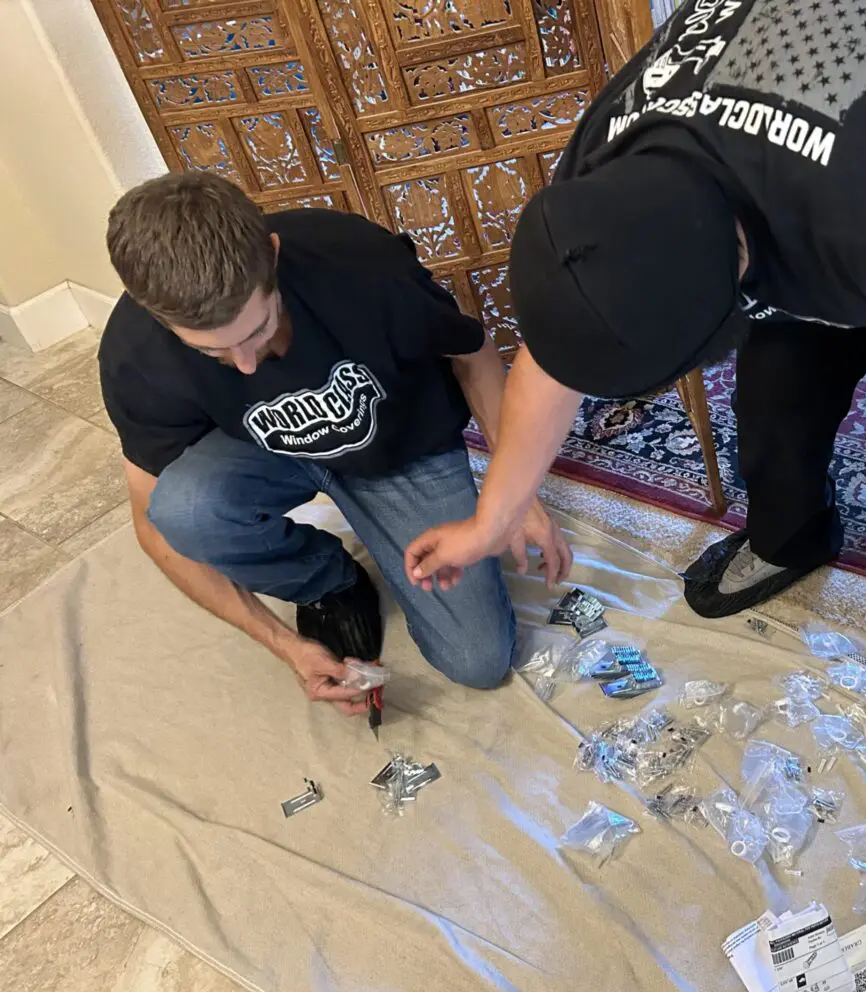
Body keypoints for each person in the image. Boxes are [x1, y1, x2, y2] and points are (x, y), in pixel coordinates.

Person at [403, 0, 866, 733]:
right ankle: (791, 535)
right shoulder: (600, 173)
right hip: (821, 105)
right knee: (778, 391)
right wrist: (492, 517)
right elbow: (559, 350)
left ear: (735, 277)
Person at [99, 173, 571, 716]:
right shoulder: (133, 352)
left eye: (257, 329)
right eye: (214, 352)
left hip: (401, 439)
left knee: (478, 660)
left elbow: (472, 354)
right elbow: (151, 526)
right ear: (156, 315)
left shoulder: (356, 261)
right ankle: (328, 580)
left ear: (272, 257)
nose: (249, 365)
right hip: (269, 446)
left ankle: (377, 538)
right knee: (182, 509)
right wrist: (285, 647)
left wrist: (517, 498)